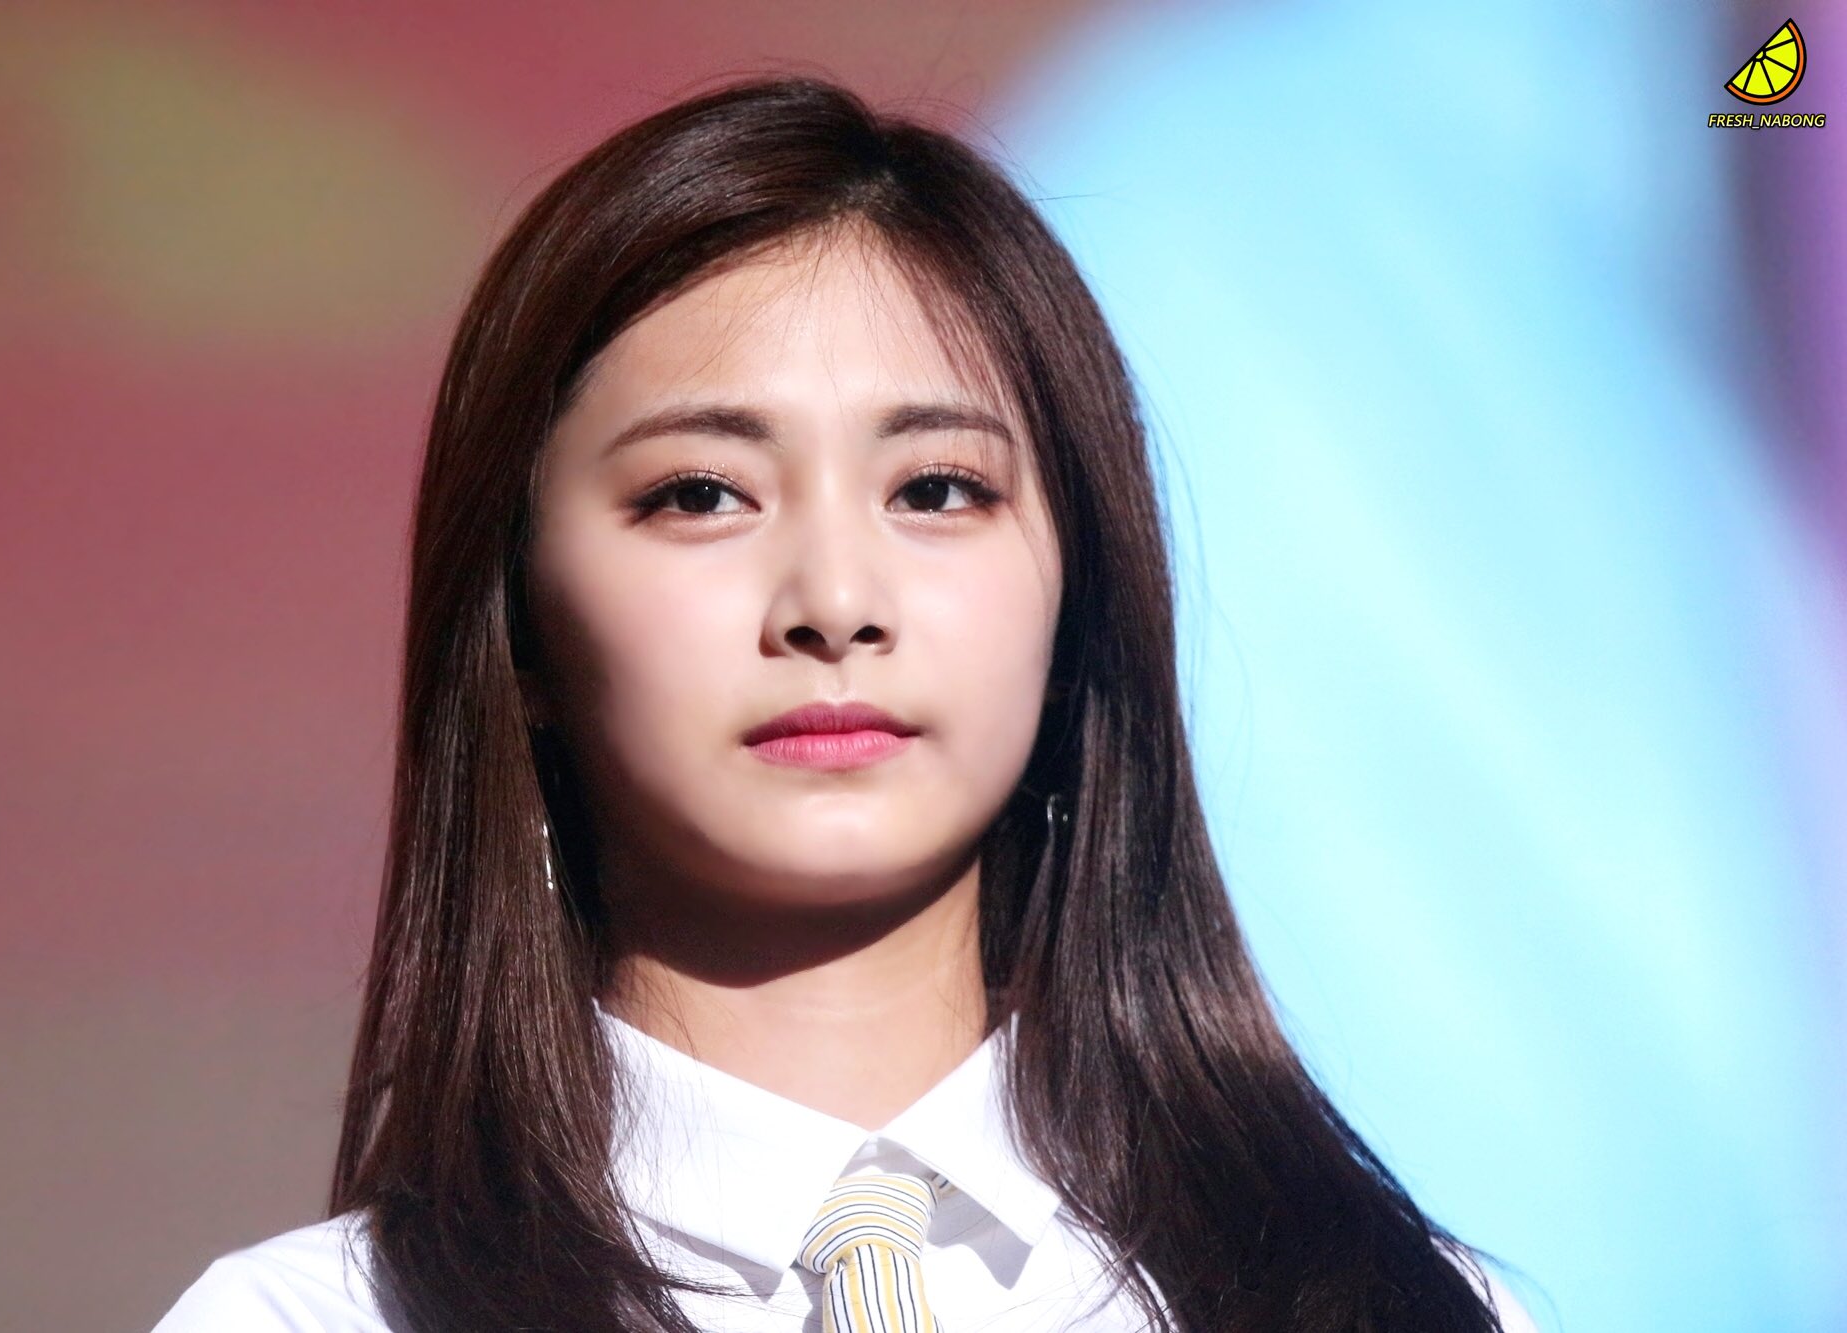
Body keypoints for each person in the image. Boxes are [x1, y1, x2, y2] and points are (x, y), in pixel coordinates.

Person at [152, 74, 1539, 1333]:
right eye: (702, 495)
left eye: (936, 489)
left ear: (1078, 602)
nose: (833, 600)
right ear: (518, 620)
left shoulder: (1401, 1310)